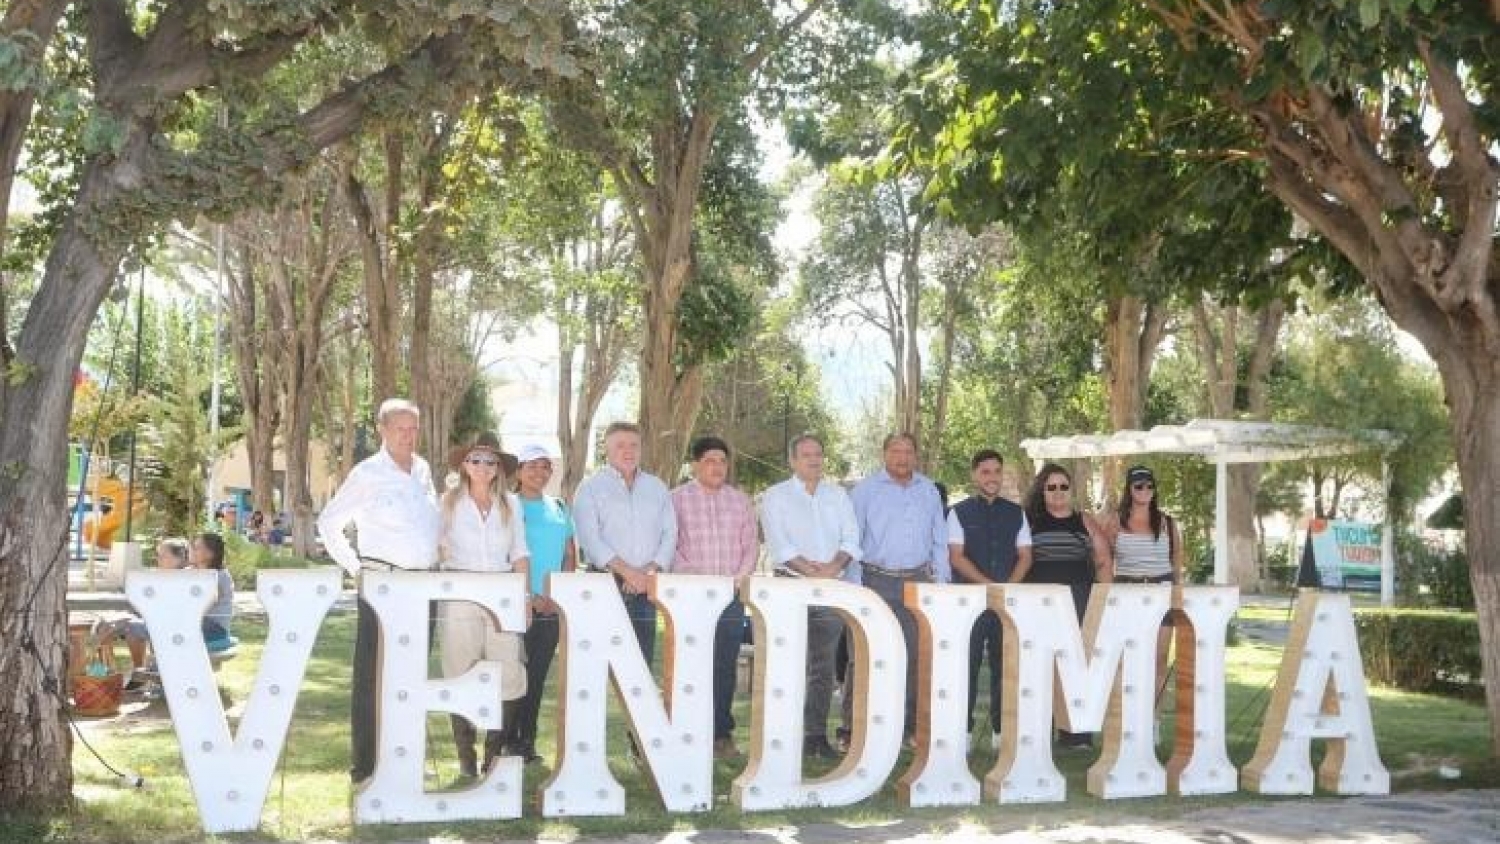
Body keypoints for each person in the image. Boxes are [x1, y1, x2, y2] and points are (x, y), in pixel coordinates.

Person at [317, 398, 442, 785]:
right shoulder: (367, 473)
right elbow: (328, 523)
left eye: (413, 428)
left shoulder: (423, 470)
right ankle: (367, 766)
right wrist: (356, 569)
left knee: (413, 676)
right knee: (372, 676)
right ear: (382, 430)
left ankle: (405, 759)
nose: (408, 435)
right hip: (383, 586)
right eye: (400, 428)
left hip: (424, 586)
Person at [759, 432, 861, 760]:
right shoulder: (775, 496)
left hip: (831, 590)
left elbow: (851, 538)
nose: (814, 460)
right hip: (790, 588)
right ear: (792, 460)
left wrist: (832, 569)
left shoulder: (838, 495)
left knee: (824, 668)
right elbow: (780, 545)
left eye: (818, 454)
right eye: (806, 455)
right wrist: (810, 571)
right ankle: (779, 738)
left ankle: (814, 737)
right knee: (786, 664)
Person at [846, 432, 949, 745]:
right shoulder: (865, 491)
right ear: (884, 454)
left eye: (908, 451)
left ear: (915, 455)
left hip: (917, 582)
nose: (902, 457)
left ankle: (907, 729)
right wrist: (855, 586)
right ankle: (853, 730)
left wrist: (941, 583)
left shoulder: (929, 490)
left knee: (916, 656)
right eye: (895, 451)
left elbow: (939, 540)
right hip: (874, 581)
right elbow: (852, 539)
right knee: (864, 654)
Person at [437, 431, 529, 778]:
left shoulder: (511, 504)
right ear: (465, 464)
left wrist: (524, 598)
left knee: (509, 671)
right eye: (475, 459)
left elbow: (519, 552)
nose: (483, 466)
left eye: (490, 461)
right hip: (459, 591)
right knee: (459, 668)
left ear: (498, 468)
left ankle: (494, 754)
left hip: (502, 589)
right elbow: (436, 546)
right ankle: (465, 755)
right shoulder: (448, 501)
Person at [670, 435, 758, 759]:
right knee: (688, 665)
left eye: (722, 461)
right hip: (689, 598)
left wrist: (736, 581)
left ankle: (720, 734)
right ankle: (685, 733)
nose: (717, 467)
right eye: (709, 460)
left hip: (730, 599)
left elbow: (751, 547)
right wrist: (697, 583)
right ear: (695, 465)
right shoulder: (675, 500)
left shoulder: (740, 501)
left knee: (724, 666)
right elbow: (671, 546)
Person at [947, 449, 1033, 748]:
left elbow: (1025, 555)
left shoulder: (1016, 513)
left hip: (1006, 603)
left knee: (1005, 666)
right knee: (966, 666)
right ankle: (964, 733)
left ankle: (1001, 733)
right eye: (985, 472)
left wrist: (1008, 588)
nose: (992, 477)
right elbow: (956, 557)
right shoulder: (958, 513)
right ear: (974, 475)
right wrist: (989, 586)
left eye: (997, 471)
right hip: (968, 603)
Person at [1022, 463, 1111, 749]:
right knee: (1040, 667)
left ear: (1071, 489)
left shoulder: (1084, 521)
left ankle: (1076, 735)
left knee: (1076, 666)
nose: (1058, 492)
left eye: (1064, 486)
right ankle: (1038, 732)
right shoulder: (1030, 522)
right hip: (1040, 605)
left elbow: (1103, 560)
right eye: (1052, 487)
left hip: (1080, 601)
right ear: (1042, 490)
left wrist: (1105, 600)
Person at [572, 421, 676, 665]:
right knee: (597, 664)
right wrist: (628, 572)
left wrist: (647, 572)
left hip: (645, 588)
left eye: (634, 445)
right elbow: (589, 538)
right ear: (607, 450)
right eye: (620, 445)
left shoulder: (657, 487)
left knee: (641, 663)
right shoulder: (590, 487)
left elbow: (670, 534)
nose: (628, 451)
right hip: (604, 584)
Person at [509, 442, 576, 765]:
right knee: (514, 676)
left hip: (552, 608)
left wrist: (557, 596)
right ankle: (505, 741)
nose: (540, 472)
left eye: (545, 466)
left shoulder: (560, 507)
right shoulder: (509, 505)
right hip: (518, 604)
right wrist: (530, 596)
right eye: (532, 466)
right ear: (519, 472)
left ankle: (527, 742)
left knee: (536, 677)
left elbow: (569, 553)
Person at [1103, 464, 1185, 720]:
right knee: (1128, 658)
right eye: (1139, 485)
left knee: (1159, 658)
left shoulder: (1167, 523)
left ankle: (1153, 719)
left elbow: (1177, 558)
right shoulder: (1115, 522)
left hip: (1162, 592)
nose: (1145, 490)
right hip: (1128, 592)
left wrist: (1177, 591)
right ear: (1129, 489)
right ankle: (1127, 717)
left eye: (1149, 485)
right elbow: (1104, 560)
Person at [118, 538, 192, 686]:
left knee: (131, 626)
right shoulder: (167, 576)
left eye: (162, 555)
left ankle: (141, 674)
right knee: (131, 624)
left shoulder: (183, 578)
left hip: (175, 629)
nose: (158, 559)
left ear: (178, 559)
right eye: (158, 555)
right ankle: (142, 673)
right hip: (166, 625)